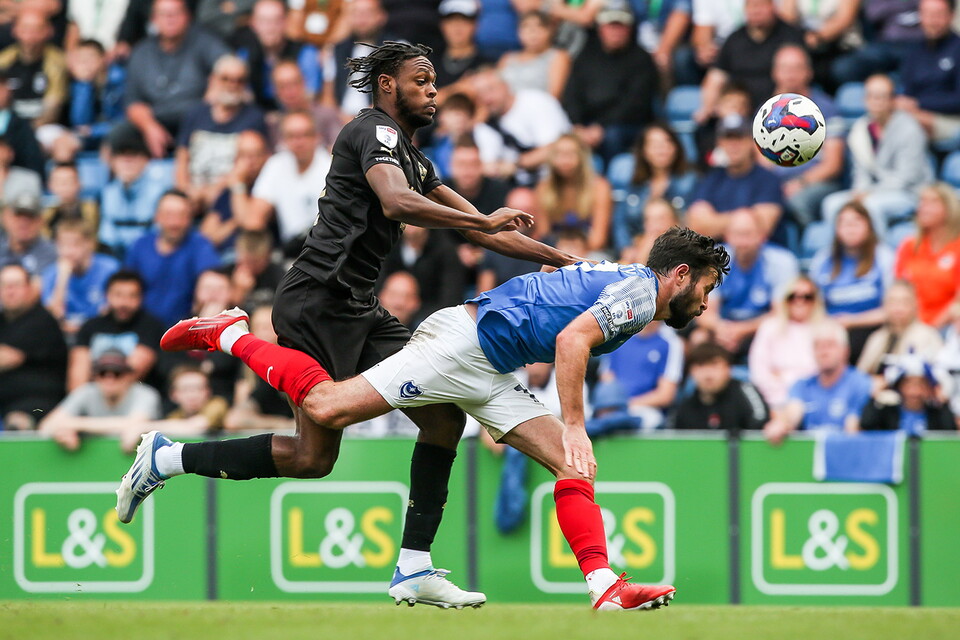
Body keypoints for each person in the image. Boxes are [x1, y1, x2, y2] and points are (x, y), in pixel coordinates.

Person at [117, 41, 578, 609]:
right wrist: (482, 220)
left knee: (438, 421)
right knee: (315, 457)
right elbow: (398, 204)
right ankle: (202, 394)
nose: (433, 90)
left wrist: (564, 261)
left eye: (434, 81)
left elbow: (480, 230)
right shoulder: (371, 131)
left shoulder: (414, 159)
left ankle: (413, 567)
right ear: (387, 84)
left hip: (358, 308)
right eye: (421, 80)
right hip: (316, 300)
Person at [123, 226, 730, 610]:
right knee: (328, 407)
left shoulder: (625, 278)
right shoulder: (641, 295)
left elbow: (555, 288)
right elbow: (572, 342)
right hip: (460, 347)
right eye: (705, 287)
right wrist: (575, 422)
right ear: (679, 274)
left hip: (492, 365)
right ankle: (230, 334)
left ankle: (599, 585)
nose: (704, 303)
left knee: (562, 463)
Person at [821, 74, 933, 235]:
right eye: (872, 96)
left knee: (871, 206)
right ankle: (840, 249)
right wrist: (859, 192)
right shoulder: (860, 129)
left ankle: (876, 249)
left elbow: (907, 177)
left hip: (910, 192)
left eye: (882, 97)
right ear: (865, 100)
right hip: (873, 191)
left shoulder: (910, 128)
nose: (877, 102)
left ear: (893, 100)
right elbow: (860, 172)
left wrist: (869, 193)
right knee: (831, 203)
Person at [123, 0, 230, 157]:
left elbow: (229, 65)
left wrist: (214, 91)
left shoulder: (204, 41)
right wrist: (149, 127)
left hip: (198, 118)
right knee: (120, 136)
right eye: (164, 14)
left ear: (187, 16)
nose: (170, 19)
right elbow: (133, 102)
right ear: (153, 19)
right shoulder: (141, 52)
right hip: (157, 120)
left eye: (175, 13)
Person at [562, 4, 659, 165]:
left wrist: (601, 127)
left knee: (612, 136)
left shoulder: (642, 59)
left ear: (630, 29)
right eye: (610, 26)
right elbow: (571, 94)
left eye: (621, 26)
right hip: (587, 125)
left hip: (626, 125)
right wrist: (577, 125)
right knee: (563, 138)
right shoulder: (585, 56)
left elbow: (635, 104)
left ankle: (610, 178)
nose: (615, 31)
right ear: (601, 29)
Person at [698, 208, 798, 358]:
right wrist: (721, 328)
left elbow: (782, 313)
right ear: (727, 236)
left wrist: (741, 330)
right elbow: (704, 309)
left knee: (784, 335)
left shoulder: (782, 262)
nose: (742, 242)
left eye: (748, 234)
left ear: (762, 236)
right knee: (699, 338)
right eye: (737, 234)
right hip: (725, 330)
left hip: (764, 330)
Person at [765, 44, 845, 226]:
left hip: (816, 182)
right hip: (777, 182)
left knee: (797, 201)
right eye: (785, 68)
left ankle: (807, 241)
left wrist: (801, 182)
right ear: (774, 73)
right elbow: (761, 160)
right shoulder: (766, 110)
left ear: (809, 72)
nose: (790, 74)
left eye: (796, 68)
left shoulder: (827, 109)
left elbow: (833, 164)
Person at [174, 55, 267, 209]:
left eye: (239, 80)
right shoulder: (195, 113)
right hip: (191, 192)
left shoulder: (254, 118)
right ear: (213, 79)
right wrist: (185, 190)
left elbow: (249, 164)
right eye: (226, 79)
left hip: (228, 196)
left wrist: (214, 190)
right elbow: (182, 157)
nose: (232, 85)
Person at [808, 200, 894, 361]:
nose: (850, 228)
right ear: (836, 229)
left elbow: (892, 309)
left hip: (872, 328)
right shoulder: (823, 260)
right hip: (831, 329)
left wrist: (853, 321)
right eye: (844, 223)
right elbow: (813, 304)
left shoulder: (884, 257)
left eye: (856, 222)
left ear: (869, 227)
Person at [233, 111, 331, 251]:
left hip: (326, 249)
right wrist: (238, 184)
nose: (299, 142)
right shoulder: (276, 165)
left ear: (317, 137)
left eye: (305, 135)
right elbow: (253, 221)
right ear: (283, 140)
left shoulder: (331, 167)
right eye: (292, 136)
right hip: (291, 251)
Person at [763, 320, 873, 444]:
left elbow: (853, 429)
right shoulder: (802, 385)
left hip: (844, 450)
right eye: (818, 346)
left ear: (845, 350)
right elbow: (793, 412)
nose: (823, 352)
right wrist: (782, 424)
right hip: (811, 453)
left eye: (830, 345)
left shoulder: (860, 383)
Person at [125, 189, 222, 326]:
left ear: (190, 218)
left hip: (186, 326)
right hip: (142, 326)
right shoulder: (140, 245)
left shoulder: (200, 245)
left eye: (181, 215)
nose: (175, 222)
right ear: (157, 216)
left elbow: (212, 279)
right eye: (169, 215)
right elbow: (126, 284)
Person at [696, 0, 804, 117]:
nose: (756, 11)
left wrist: (777, 105)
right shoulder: (734, 39)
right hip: (739, 109)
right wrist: (708, 108)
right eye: (752, 6)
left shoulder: (790, 36)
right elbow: (716, 76)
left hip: (778, 108)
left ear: (773, 7)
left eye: (761, 6)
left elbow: (796, 77)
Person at [40, 347, 162, 450]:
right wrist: (64, 432)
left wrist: (76, 424)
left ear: (129, 375)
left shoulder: (145, 394)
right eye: (102, 373)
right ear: (95, 376)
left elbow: (136, 425)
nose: (109, 379)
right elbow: (46, 426)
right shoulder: (86, 392)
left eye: (117, 373)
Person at [686, 114, 784, 240]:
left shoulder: (768, 180)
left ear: (751, 142)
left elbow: (762, 227)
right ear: (719, 143)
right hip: (716, 250)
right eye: (728, 138)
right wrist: (745, 219)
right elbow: (696, 227)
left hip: (763, 250)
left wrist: (714, 221)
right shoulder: (711, 179)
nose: (733, 145)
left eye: (739, 138)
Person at [471, 67, 571, 187]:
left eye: (490, 89)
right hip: (518, 187)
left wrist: (516, 164)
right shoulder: (485, 125)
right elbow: (488, 164)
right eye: (480, 94)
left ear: (505, 86)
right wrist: (493, 169)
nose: (487, 98)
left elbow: (556, 148)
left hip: (559, 178)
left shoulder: (536, 102)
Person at [69, 270, 166, 391]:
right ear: (106, 295)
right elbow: (78, 374)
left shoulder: (150, 326)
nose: (124, 302)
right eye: (118, 295)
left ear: (141, 298)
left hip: (133, 394)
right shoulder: (90, 326)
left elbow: (134, 371)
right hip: (92, 394)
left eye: (132, 296)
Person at [0, 263, 67, 430]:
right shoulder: (2, 321)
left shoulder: (42, 320)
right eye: (5, 286)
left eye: (16, 285)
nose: (10, 291)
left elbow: (8, 358)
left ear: (30, 288)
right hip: (6, 401)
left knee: (17, 422)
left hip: (38, 404)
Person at [611, 124, 695, 253]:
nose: (661, 149)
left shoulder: (690, 181)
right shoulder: (635, 184)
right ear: (643, 151)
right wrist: (626, 249)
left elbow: (693, 223)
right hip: (637, 249)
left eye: (667, 142)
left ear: (676, 147)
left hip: (679, 250)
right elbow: (620, 223)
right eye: (654, 144)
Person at [232, 0, 321, 112]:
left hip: (296, 114)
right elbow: (243, 96)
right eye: (264, 21)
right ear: (253, 24)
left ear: (286, 22)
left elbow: (310, 97)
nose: (270, 28)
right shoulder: (245, 55)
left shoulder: (306, 53)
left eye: (276, 21)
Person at [747, 275, 822, 407]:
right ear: (785, 300)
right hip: (773, 401)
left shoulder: (827, 329)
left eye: (807, 297)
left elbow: (824, 372)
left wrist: (784, 377)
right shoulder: (769, 327)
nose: (799, 301)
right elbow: (759, 371)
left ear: (815, 300)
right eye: (793, 296)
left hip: (815, 401)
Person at [893, 182, 960, 328]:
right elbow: (898, 291)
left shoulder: (957, 248)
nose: (924, 208)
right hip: (909, 324)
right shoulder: (909, 246)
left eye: (933, 202)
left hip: (946, 325)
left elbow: (958, 301)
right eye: (922, 202)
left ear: (949, 208)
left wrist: (931, 329)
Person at [895, 0, 960, 146]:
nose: (932, 21)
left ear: (951, 15)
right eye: (927, 14)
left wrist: (919, 103)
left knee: (909, 124)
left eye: (938, 15)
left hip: (951, 119)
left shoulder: (958, 49)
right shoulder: (914, 50)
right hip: (915, 115)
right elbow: (908, 91)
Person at [536, 133, 612, 252]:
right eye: (559, 154)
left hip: (589, 251)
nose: (564, 160)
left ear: (582, 156)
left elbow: (599, 239)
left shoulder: (599, 187)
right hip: (555, 250)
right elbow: (544, 234)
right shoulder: (544, 188)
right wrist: (561, 252)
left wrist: (577, 251)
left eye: (570, 154)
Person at [41, 219, 120, 335]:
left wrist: (84, 328)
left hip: (100, 333)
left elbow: (112, 311)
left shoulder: (110, 269)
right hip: (64, 334)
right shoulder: (51, 273)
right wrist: (62, 278)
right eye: (62, 245)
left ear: (90, 244)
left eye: (75, 245)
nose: (68, 252)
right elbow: (52, 316)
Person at [98, 134, 172, 258]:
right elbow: (107, 235)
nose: (127, 162)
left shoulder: (159, 191)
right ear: (113, 162)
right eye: (121, 155)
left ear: (146, 160)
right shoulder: (108, 192)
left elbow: (159, 233)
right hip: (116, 255)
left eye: (134, 155)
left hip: (150, 254)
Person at [670, 341, 769, 432]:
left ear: (728, 369)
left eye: (714, 366)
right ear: (691, 371)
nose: (708, 375)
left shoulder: (745, 390)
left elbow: (761, 420)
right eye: (701, 366)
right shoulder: (686, 407)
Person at [857, 280, 945, 381]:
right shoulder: (877, 337)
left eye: (905, 302)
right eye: (893, 302)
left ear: (915, 304)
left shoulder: (928, 336)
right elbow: (859, 376)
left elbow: (935, 379)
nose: (898, 308)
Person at [0, 6, 68, 126]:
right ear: (15, 30)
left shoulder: (58, 63)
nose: (30, 35)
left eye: (36, 29)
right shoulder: (3, 61)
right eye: (25, 28)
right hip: (7, 123)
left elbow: (52, 111)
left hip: (43, 126)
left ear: (49, 31)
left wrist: (26, 131)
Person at [859, 353, 957, 434]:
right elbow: (866, 424)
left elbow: (950, 431)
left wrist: (942, 400)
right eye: (909, 385)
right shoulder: (888, 412)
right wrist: (876, 394)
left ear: (929, 388)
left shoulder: (936, 414)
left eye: (921, 385)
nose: (915, 392)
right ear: (899, 387)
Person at [498, 11, 570, 99]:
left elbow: (553, 96)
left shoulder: (557, 56)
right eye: (526, 26)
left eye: (539, 26)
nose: (532, 31)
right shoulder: (507, 58)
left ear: (550, 30)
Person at [0, 193, 57, 275]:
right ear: (5, 219)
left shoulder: (51, 253)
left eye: (30, 217)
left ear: (40, 221)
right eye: (18, 216)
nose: (23, 223)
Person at [41, 162, 100, 238]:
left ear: (80, 183)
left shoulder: (91, 209)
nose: (65, 186)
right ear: (50, 185)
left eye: (69, 181)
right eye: (60, 182)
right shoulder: (45, 213)